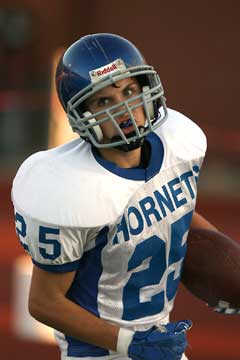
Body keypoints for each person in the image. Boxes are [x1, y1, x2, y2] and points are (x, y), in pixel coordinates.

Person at [11, 33, 226, 360]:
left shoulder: (178, 143)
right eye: (103, 101)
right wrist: (130, 344)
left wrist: (227, 260)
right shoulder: (71, 189)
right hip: (101, 353)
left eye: (128, 91)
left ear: (146, 89)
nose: (123, 108)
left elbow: (179, 206)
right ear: (81, 113)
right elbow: (43, 302)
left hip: (162, 341)